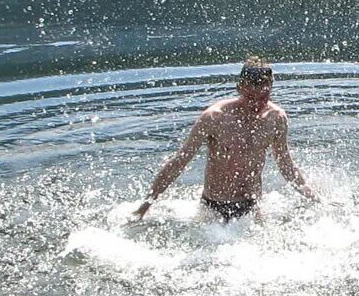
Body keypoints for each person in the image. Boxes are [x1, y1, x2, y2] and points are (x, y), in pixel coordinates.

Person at [133, 57, 316, 222]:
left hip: (251, 205)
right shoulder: (215, 117)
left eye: (264, 97)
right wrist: (145, 205)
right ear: (240, 88)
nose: (257, 104)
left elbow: (285, 163)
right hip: (213, 206)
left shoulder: (276, 118)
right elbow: (180, 161)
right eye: (251, 97)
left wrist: (313, 197)